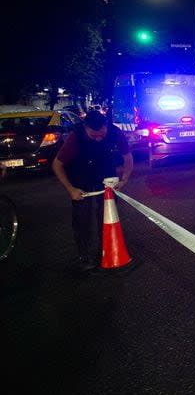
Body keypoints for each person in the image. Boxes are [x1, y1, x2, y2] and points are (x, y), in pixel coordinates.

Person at [51, 111, 133, 273]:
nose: (98, 139)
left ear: (106, 127)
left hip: (106, 173)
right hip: (81, 176)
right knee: (82, 218)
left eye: (101, 135)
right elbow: (57, 164)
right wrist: (71, 190)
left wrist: (124, 179)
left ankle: (107, 250)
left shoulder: (115, 132)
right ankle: (85, 255)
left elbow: (127, 157)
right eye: (93, 136)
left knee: (107, 215)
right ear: (85, 128)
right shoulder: (76, 137)